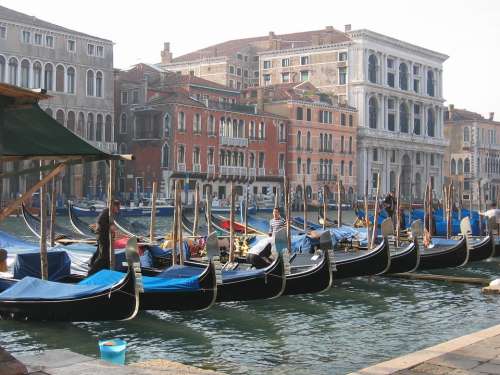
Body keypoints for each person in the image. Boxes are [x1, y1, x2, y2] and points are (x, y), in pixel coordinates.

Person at [88, 200, 120, 276]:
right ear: (114, 206)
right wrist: (110, 227)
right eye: (117, 206)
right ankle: (91, 273)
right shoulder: (106, 211)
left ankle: (98, 269)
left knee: (101, 253)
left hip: (105, 236)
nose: (118, 208)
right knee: (103, 256)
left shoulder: (110, 213)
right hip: (103, 237)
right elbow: (100, 223)